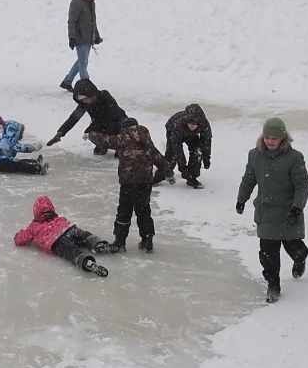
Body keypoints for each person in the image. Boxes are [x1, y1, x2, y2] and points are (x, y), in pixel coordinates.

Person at [236, 116, 308, 304]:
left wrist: (296, 208)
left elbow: (302, 185)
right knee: (267, 253)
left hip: (287, 212)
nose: (270, 141)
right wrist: (241, 199)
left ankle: (300, 259)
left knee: (296, 248)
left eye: (274, 138)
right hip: (266, 211)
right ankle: (273, 285)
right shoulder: (255, 155)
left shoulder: (294, 158)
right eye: (267, 137)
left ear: (283, 139)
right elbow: (249, 179)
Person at [89, 121, 172, 253]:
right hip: (145, 183)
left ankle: (119, 243)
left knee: (124, 211)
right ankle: (147, 240)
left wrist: (91, 134)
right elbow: (159, 158)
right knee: (143, 210)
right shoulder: (147, 142)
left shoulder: (123, 137)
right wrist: (169, 173)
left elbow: (104, 140)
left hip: (128, 183)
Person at [12, 196, 110, 276]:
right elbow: (66, 222)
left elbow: (21, 239)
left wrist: (17, 236)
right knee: (83, 235)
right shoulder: (59, 218)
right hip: (69, 230)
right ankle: (96, 243)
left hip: (55, 240)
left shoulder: (33, 226)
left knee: (70, 250)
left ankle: (84, 261)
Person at [46, 78, 129, 155]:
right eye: (80, 99)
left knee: (118, 131)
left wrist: (104, 141)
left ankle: (120, 146)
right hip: (101, 124)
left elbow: (115, 117)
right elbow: (73, 118)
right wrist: (60, 133)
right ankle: (105, 143)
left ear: (90, 94)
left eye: (84, 98)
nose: (83, 101)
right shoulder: (85, 104)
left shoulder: (104, 96)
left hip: (118, 123)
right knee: (89, 132)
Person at [61, 0, 101, 91]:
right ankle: (87, 88)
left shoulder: (91, 3)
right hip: (80, 38)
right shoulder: (76, 3)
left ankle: (67, 81)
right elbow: (71, 21)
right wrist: (72, 37)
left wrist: (96, 35)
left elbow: (93, 21)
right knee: (83, 64)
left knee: (81, 61)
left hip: (88, 38)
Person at [164, 104, 213, 188]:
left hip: (191, 136)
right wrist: (183, 168)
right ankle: (164, 174)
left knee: (197, 151)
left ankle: (192, 177)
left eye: (195, 124)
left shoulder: (204, 123)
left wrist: (206, 157)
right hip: (173, 130)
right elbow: (177, 149)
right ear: (187, 121)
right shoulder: (178, 123)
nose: (192, 126)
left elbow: (206, 141)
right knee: (172, 154)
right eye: (190, 123)